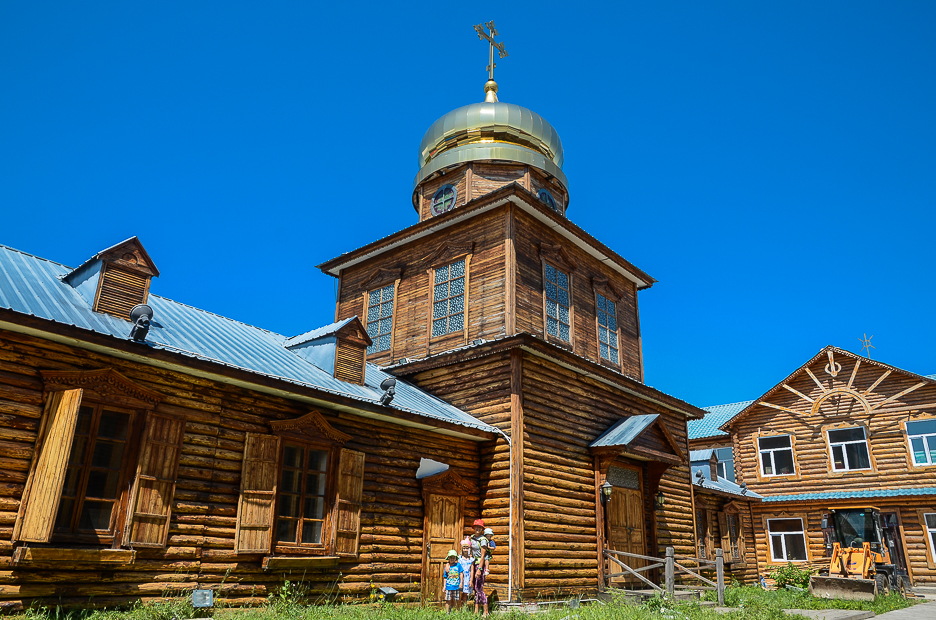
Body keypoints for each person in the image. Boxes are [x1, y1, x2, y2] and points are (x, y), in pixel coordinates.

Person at [470, 519, 489, 616]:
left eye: (479, 527)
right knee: (475, 588)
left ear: (482, 529)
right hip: (473, 564)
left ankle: (486, 612)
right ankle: (476, 611)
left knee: (479, 588)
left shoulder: (483, 540)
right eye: (476, 527)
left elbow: (483, 556)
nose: (477, 528)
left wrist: (480, 569)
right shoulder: (472, 538)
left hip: (479, 565)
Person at [442, 549, 464, 614]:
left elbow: (461, 574)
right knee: (448, 600)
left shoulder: (458, 565)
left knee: (457, 600)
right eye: (451, 557)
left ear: (455, 558)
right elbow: (445, 577)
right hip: (449, 586)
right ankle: (447, 612)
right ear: (448, 558)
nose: (452, 559)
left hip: (456, 586)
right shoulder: (447, 567)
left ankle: (456, 612)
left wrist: (461, 583)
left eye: (453, 557)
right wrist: (444, 586)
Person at [458, 537, 474, 608]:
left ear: (469, 549)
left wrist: (471, 580)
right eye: (464, 548)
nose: (465, 550)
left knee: (465, 594)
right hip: (459, 577)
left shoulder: (471, 559)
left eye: (467, 548)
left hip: (467, 578)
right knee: (457, 593)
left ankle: (463, 609)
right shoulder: (459, 558)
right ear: (462, 549)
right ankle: (457, 608)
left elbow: (472, 570)